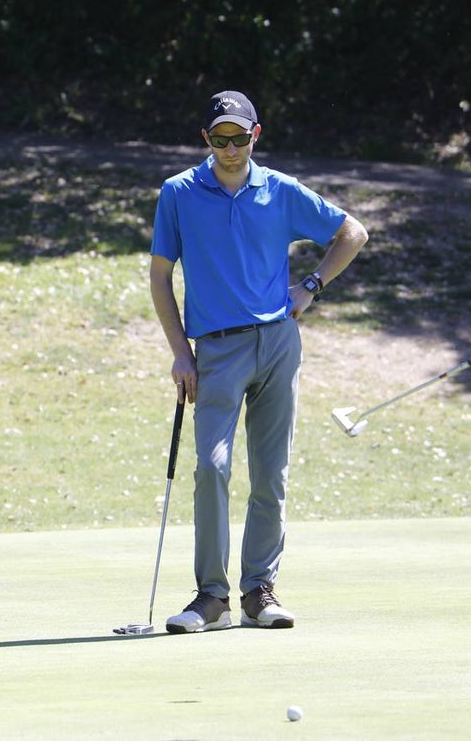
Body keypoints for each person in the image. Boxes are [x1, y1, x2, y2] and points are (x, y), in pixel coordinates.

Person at [150, 90, 368, 634]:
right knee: (212, 468)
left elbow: (352, 233)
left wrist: (312, 286)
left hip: (277, 343)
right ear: (206, 140)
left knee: (270, 475)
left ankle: (258, 592)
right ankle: (211, 597)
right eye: (219, 139)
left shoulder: (280, 191)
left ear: (256, 135)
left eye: (239, 138)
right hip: (216, 350)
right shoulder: (178, 193)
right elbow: (160, 277)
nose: (229, 148)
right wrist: (181, 352)